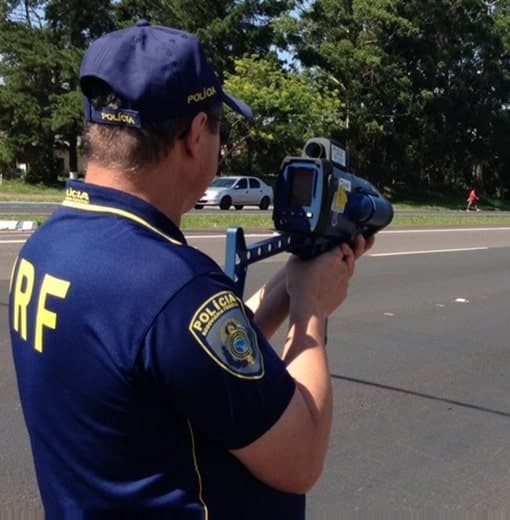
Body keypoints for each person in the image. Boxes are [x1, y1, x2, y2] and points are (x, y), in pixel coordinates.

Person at [7, 21, 372, 518]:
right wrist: (313, 313)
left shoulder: (46, 245)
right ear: (196, 134)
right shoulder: (173, 286)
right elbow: (301, 459)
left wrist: (290, 282)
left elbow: (182, 359)